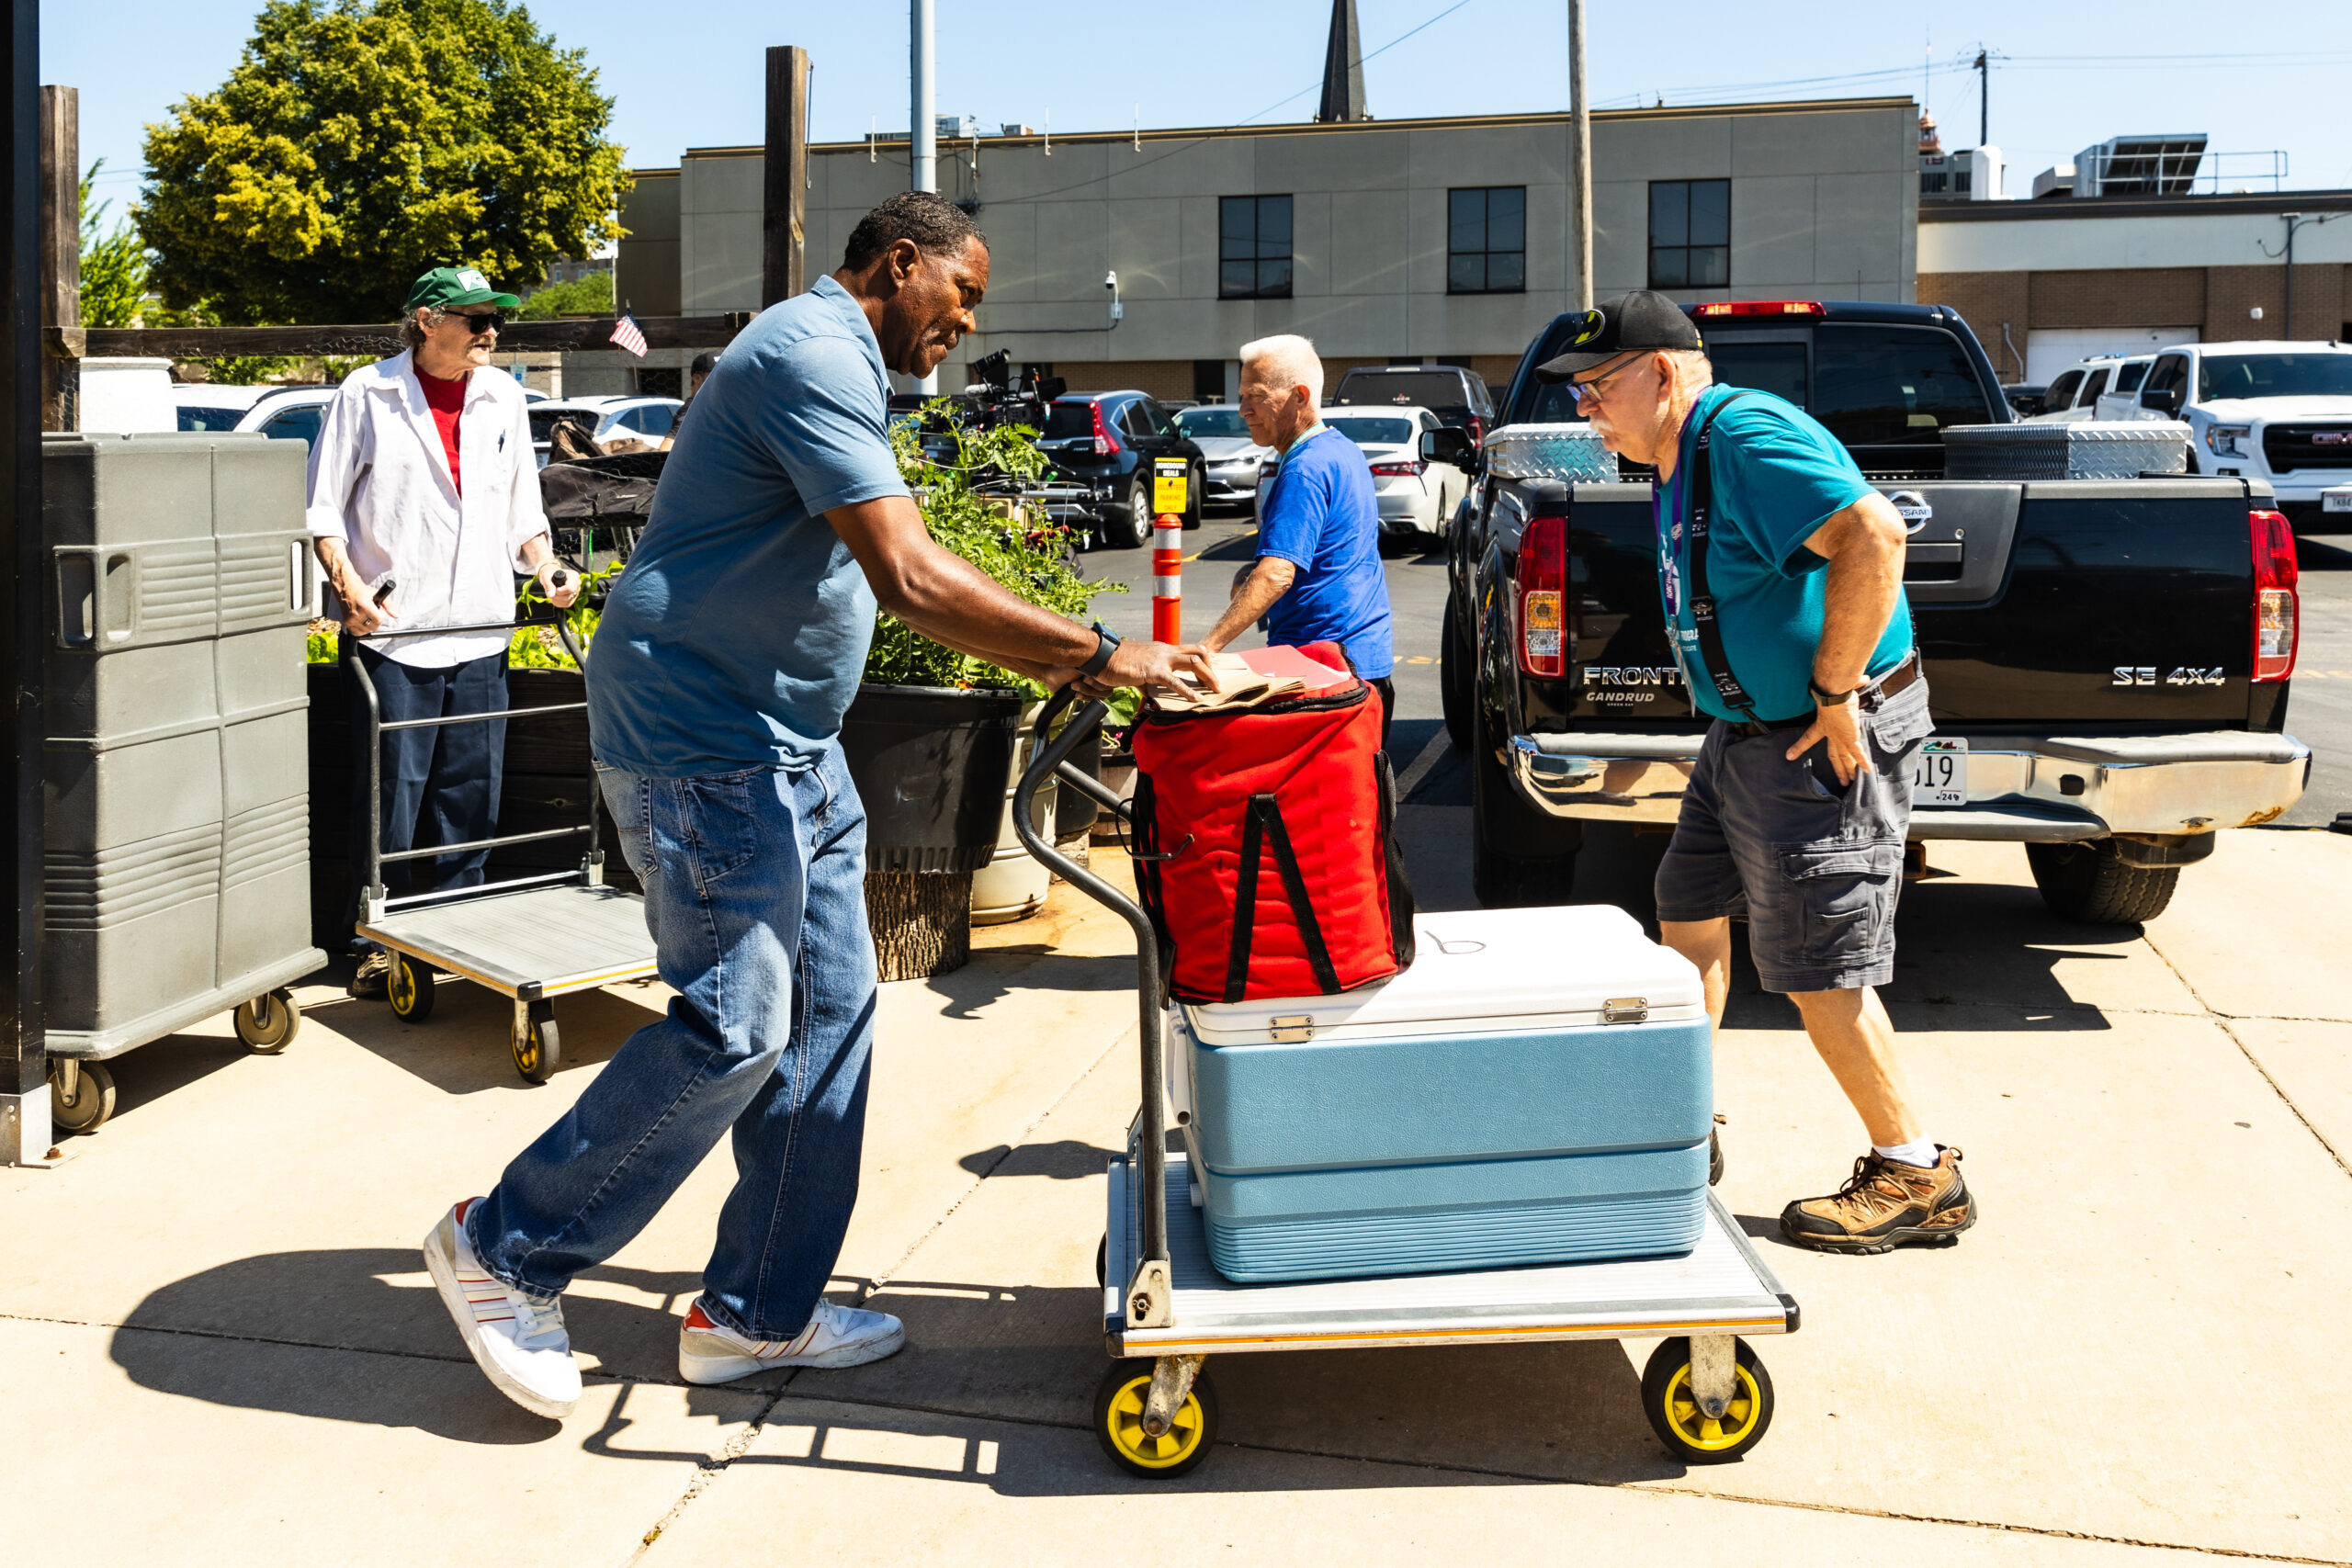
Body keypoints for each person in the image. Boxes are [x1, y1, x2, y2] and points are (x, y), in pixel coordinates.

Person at [420, 192, 1216, 1418]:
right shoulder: (809, 351)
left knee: (831, 1012)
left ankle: (758, 1312)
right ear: (901, 264)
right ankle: (505, 1243)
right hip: (703, 736)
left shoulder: (840, 360)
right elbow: (907, 573)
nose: (966, 323)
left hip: (787, 739)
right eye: (963, 296)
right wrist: (1100, 653)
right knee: (740, 1021)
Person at [1533, 291, 1975, 1254]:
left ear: (1661, 373)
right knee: (1686, 907)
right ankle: (1683, 1122)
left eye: (1597, 387)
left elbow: (1872, 536)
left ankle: (1915, 1169)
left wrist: (1831, 693)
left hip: (1813, 737)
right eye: (1578, 393)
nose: (1583, 408)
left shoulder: (1742, 435)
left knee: (1820, 967)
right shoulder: (1673, 457)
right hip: (1745, 737)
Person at [307, 266, 579, 998]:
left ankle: (461, 927)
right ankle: (379, 937)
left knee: (470, 794)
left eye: (497, 319)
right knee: (392, 794)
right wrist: (348, 587)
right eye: (476, 319)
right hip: (394, 632)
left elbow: (525, 515)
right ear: (427, 321)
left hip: (482, 630)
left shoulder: (504, 398)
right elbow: (324, 511)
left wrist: (548, 566)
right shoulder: (367, 393)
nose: (492, 332)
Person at [1204, 334, 1396, 743]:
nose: (1243, 411)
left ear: (1299, 396)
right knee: (1363, 799)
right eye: (1241, 397)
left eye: (1255, 396)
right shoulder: (1342, 450)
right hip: (1364, 663)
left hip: (1323, 676)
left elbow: (1276, 575)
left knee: (1309, 805)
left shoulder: (1303, 470)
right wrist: (1250, 575)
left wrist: (1207, 649)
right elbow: (1327, 552)